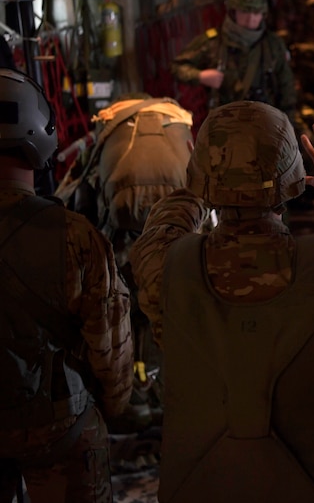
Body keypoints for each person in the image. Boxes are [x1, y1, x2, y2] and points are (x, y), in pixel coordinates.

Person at [129, 101, 314, 502]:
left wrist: (204, 182)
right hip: (301, 482)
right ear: (291, 179)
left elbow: (163, 226)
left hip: (198, 484)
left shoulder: (166, 266)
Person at [0, 69, 133, 502]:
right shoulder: (75, 235)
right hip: (57, 428)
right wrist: (112, 407)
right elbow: (111, 351)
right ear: (40, 135)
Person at [54, 94, 194, 432]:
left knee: (126, 319)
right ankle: (167, 399)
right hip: (172, 242)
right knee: (165, 315)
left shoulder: (108, 134)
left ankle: (133, 405)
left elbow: (79, 194)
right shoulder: (179, 131)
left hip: (119, 246)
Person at [171, 0, 297, 120]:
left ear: (263, 14)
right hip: (224, 124)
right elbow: (177, 67)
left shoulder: (272, 45)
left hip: (265, 122)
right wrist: (200, 76)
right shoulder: (213, 42)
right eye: (245, 11)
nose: (251, 19)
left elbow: (287, 87)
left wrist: (287, 123)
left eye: (256, 12)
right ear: (233, 11)